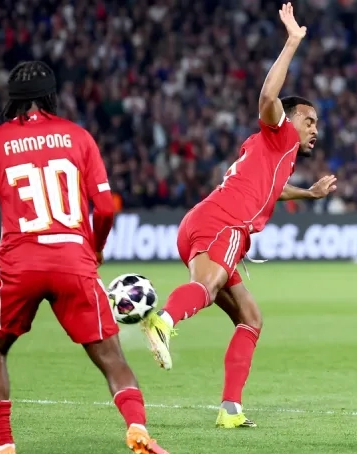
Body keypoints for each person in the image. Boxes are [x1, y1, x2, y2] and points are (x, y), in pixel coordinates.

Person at [0, 60, 177, 454]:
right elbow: (106, 208)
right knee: (111, 357)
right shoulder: (78, 137)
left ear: (12, 100)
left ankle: (4, 448)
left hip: (19, 265)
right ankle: (138, 430)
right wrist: (95, 247)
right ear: (53, 96)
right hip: (73, 260)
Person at [138, 3, 336, 429]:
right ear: (293, 116)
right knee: (205, 289)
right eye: (310, 120)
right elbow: (268, 97)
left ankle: (230, 409)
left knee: (250, 318)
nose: (315, 129)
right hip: (225, 224)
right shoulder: (278, 128)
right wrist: (292, 42)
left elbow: (272, 189)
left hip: (204, 222)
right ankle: (163, 320)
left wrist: (310, 193)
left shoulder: (275, 153)